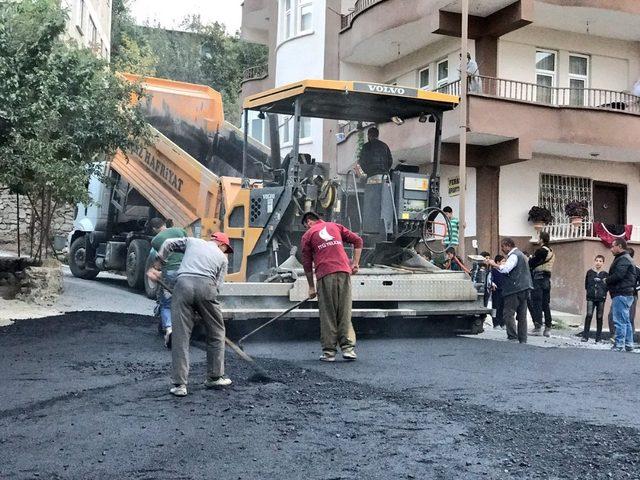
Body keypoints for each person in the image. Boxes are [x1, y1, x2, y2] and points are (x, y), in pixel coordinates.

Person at [147, 232, 233, 397]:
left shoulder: (193, 242)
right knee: (217, 333)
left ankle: (180, 385)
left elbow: (168, 244)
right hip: (207, 288)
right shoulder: (222, 258)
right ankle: (215, 377)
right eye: (225, 249)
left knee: (181, 335)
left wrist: (157, 266)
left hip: (183, 285)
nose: (225, 251)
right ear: (222, 244)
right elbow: (218, 286)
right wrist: (203, 308)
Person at [301, 211, 363, 362]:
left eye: (305, 226)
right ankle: (348, 349)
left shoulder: (308, 235)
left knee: (328, 313)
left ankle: (329, 353)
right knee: (344, 310)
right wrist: (355, 263)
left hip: (325, 274)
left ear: (309, 222)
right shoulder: (336, 226)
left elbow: (307, 263)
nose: (306, 229)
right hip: (344, 271)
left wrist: (311, 287)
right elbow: (358, 241)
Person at [485, 238, 533, 343]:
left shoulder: (514, 255)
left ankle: (512, 336)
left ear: (507, 245)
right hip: (525, 288)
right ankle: (523, 339)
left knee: (508, 313)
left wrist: (494, 264)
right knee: (522, 315)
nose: (502, 249)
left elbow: (506, 269)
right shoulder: (522, 255)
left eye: (502, 246)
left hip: (514, 289)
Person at [149, 218, 187, 349]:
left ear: (154, 229)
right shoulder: (180, 230)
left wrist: (156, 270)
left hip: (170, 272)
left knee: (166, 304)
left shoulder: (155, 241)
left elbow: (159, 256)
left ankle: (169, 329)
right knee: (184, 301)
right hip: (185, 271)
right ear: (164, 224)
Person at [603, 238, 636, 352]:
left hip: (621, 293)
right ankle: (629, 344)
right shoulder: (625, 258)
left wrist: (606, 280)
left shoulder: (623, 259)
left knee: (619, 320)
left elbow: (619, 275)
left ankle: (619, 344)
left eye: (613, 246)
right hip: (625, 293)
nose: (611, 249)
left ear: (620, 247)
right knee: (625, 320)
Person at [528, 232, 555, 337]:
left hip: (538, 278)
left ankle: (538, 327)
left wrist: (529, 260)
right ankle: (548, 328)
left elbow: (532, 263)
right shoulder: (551, 251)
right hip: (547, 279)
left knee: (537, 303)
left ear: (542, 239)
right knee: (545, 304)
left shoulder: (541, 251)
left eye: (539, 238)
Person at [582, 255, 608, 343]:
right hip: (591, 297)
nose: (598, 262)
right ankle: (585, 336)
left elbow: (606, 286)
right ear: (594, 261)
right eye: (596, 260)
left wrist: (603, 293)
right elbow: (586, 284)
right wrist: (590, 291)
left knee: (599, 317)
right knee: (589, 315)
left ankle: (598, 337)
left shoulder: (605, 274)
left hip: (601, 298)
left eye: (600, 261)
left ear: (603, 263)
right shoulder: (589, 272)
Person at [491, 255, 506, 330]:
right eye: (503, 261)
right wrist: (492, 284)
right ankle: (495, 323)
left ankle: (502, 322)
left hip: (503, 291)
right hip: (496, 291)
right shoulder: (493, 271)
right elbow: (490, 280)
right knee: (495, 307)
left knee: (502, 307)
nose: (504, 263)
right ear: (497, 262)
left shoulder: (504, 271)